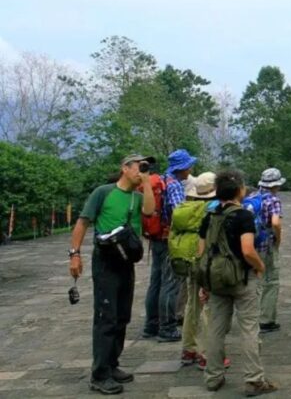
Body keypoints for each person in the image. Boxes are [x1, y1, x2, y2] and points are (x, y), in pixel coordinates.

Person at [68, 154, 156, 395]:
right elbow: (82, 222)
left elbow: (149, 211)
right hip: (105, 262)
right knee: (106, 317)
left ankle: (112, 363)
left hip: (126, 261)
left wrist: (147, 182)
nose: (142, 170)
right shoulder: (103, 192)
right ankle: (99, 374)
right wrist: (75, 254)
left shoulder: (138, 197)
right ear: (125, 169)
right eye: (139, 166)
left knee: (122, 316)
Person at [198, 170, 277, 396]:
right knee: (249, 328)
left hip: (216, 280)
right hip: (242, 278)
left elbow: (201, 252)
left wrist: (205, 283)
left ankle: (213, 377)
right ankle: (253, 379)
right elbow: (247, 250)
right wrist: (260, 266)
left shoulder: (209, 216)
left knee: (216, 329)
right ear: (239, 190)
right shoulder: (243, 216)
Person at [143, 149, 196, 342]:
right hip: (168, 239)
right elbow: (178, 215)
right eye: (189, 165)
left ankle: (151, 325)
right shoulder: (174, 185)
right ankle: (167, 327)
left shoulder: (161, 180)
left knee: (155, 281)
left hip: (155, 238)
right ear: (183, 168)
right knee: (170, 283)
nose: (191, 168)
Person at [171, 172, 216, 367]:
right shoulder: (210, 210)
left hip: (187, 260)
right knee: (207, 305)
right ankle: (207, 353)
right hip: (204, 261)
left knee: (191, 304)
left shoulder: (184, 209)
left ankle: (188, 349)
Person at [247, 168, 285, 333]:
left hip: (251, 244)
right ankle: (266, 319)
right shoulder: (273, 200)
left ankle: (250, 315)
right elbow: (275, 223)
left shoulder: (251, 197)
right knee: (270, 280)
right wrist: (278, 238)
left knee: (253, 279)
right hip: (266, 244)